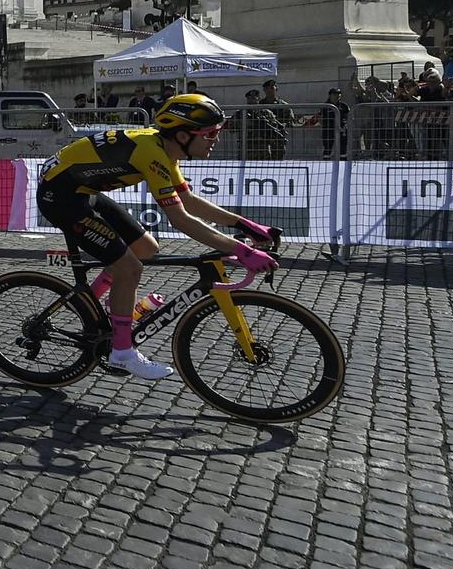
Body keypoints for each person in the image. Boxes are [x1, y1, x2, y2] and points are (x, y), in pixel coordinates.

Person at [36, 94, 279, 381]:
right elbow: (181, 219)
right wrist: (243, 251)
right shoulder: (150, 152)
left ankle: (105, 305)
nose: (215, 139)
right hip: (61, 198)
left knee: (146, 248)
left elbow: (188, 201)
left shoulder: (162, 148)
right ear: (183, 135)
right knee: (129, 267)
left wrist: (245, 224)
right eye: (210, 134)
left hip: (81, 192)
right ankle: (122, 352)